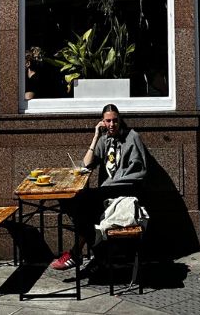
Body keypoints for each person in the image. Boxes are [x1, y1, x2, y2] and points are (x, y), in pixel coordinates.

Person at [50, 104, 148, 272]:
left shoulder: (132, 137)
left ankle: (78, 253)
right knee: (72, 202)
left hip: (127, 187)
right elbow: (86, 164)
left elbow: (139, 169)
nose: (112, 125)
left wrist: (116, 181)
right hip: (107, 189)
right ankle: (89, 251)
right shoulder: (104, 140)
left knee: (83, 201)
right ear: (102, 122)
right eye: (108, 121)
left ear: (120, 120)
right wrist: (96, 137)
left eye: (115, 121)